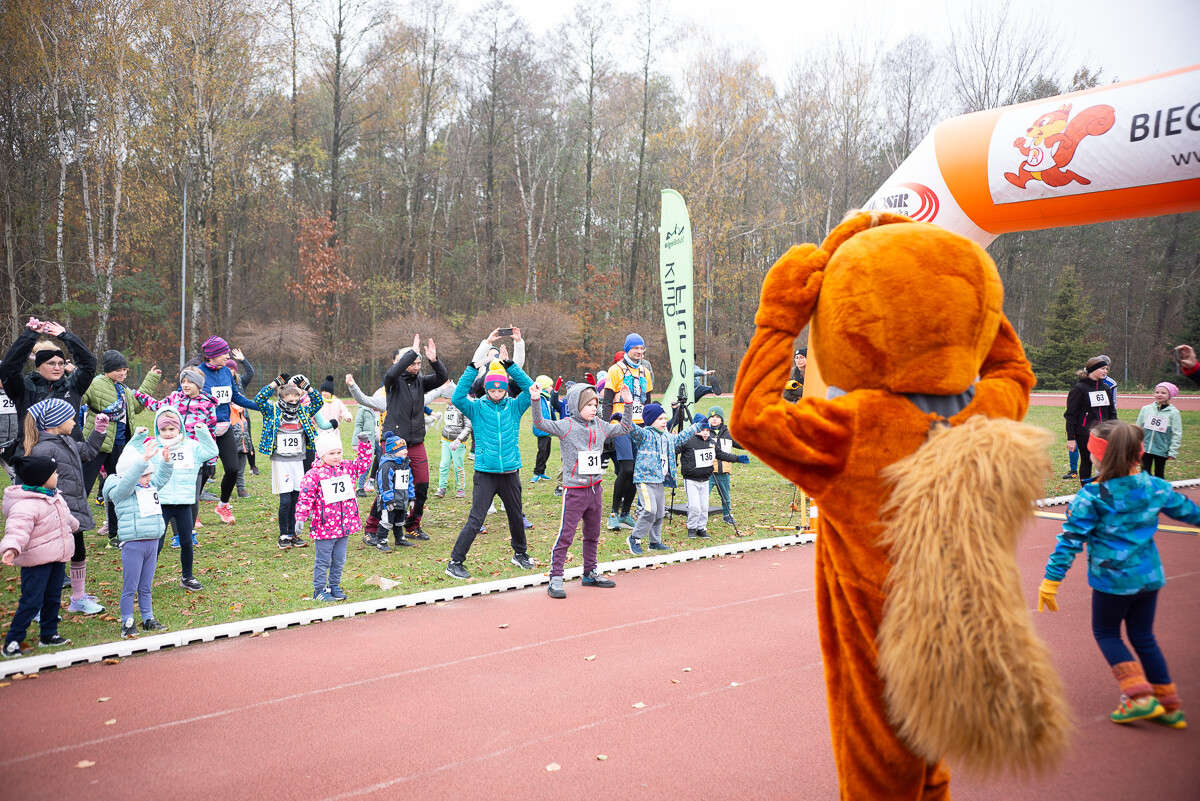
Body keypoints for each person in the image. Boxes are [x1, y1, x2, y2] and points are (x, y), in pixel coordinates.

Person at [1038, 420, 1199, 729]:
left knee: (1107, 633)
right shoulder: (1155, 486)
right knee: (1143, 637)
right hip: (1149, 577)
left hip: (1112, 582)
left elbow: (1070, 541)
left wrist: (1051, 580)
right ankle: (1169, 704)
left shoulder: (1091, 497)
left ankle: (1137, 697)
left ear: (1099, 456)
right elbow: (1189, 512)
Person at [532, 380, 632, 598]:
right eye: (589, 405)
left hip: (595, 490)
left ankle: (590, 572)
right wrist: (534, 400)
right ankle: (555, 578)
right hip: (574, 491)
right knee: (566, 535)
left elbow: (625, 428)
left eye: (596, 405)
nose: (594, 409)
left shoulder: (601, 425)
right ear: (576, 405)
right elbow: (539, 423)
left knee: (593, 534)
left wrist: (629, 404)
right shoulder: (566, 425)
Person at [445, 358, 537, 580]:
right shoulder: (476, 408)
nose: (496, 393)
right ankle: (455, 562)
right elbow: (457, 396)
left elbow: (530, 388)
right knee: (476, 519)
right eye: (492, 390)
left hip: (510, 473)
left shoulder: (515, 406)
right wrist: (472, 368)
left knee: (516, 515)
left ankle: (520, 554)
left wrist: (511, 366)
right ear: (486, 389)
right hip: (485, 473)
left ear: (505, 389)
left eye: (500, 390)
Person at [24, 399, 109, 615]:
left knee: (77, 552)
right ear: (56, 421)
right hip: (53, 515)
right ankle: (38, 606)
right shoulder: (42, 450)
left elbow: (88, 452)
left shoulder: (67, 441)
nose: (74, 422)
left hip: (73, 512)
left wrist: (99, 430)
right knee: (52, 559)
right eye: (71, 418)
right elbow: (37, 486)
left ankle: (78, 598)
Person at [80, 351, 162, 541]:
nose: (123, 373)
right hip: (97, 443)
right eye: (119, 370)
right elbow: (79, 397)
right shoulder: (96, 384)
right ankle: (74, 528)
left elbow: (137, 406)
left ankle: (116, 534)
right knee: (83, 485)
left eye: (125, 370)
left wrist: (150, 379)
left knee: (120, 488)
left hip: (120, 445)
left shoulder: (123, 389)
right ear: (108, 370)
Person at [1, 454, 77, 657]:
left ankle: (49, 634)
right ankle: (13, 641)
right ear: (40, 477)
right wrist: (11, 549)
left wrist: (76, 525)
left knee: (53, 598)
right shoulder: (25, 505)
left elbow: (66, 517)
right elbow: (17, 530)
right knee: (32, 601)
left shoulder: (54, 496)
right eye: (54, 473)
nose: (58, 475)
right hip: (36, 562)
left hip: (56, 558)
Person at [381, 335, 448, 540]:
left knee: (422, 483)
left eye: (419, 363)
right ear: (403, 363)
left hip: (416, 442)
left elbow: (441, 378)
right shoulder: (392, 382)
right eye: (412, 363)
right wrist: (411, 352)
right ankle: (373, 528)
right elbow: (392, 373)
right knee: (388, 486)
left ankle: (412, 525)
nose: (416, 366)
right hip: (394, 443)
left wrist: (434, 360)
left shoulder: (420, 382)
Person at [143, 407, 218, 591]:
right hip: (161, 503)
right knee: (156, 544)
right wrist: (139, 438)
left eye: (172, 429)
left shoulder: (191, 446)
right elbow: (137, 459)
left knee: (187, 541)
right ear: (157, 430)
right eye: (163, 430)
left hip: (185, 503)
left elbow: (212, 450)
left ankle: (187, 576)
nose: (167, 433)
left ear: (180, 429)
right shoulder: (153, 446)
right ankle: (145, 580)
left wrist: (202, 431)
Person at [106, 436, 173, 638]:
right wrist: (142, 460)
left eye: (149, 475)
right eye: (144, 475)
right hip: (133, 544)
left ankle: (148, 618)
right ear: (133, 475)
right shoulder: (120, 491)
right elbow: (127, 482)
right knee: (130, 586)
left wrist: (166, 461)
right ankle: (127, 621)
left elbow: (161, 478)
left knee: (146, 585)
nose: (149, 479)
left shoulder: (149, 486)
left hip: (152, 541)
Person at [293, 430, 373, 602]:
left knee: (339, 560)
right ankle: (319, 590)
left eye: (339, 452)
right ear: (321, 454)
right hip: (325, 527)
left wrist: (364, 444)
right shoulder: (313, 475)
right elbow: (305, 498)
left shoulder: (347, 468)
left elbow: (364, 464)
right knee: (323, 561)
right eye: (331, 453)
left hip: (345, 525)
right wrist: (300, 517)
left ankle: (334, 586)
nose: (337, 456)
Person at [135, 365, 218, 530]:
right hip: (171, 453)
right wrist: (136, 394)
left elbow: (211, 432)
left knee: (192, 497)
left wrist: (211, 461)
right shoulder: (174, 398)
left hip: (194, 456)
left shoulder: (208, 404)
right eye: (183, 381)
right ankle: (175, 534)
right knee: (172, 494)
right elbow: (157, 406)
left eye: (190, 382)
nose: (186, 385)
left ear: (199, 384)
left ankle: (188, 530)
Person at [0, 318, 97, 454]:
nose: (57, 368)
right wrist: (31, 335)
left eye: (61, 363)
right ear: (39, 366)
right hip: (33, 456)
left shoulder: (73, 386)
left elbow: (89, 364)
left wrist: (66, 336)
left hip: (69, 455)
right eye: (51, 363)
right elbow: (9, 367)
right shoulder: (24, 388)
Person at [191, 338, 261, 524]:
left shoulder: (226, 373)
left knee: (232, 469)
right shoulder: (198, 373)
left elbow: (235, 396)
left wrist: (258, 406)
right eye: (224, 353)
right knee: (204, 471)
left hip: (225, 427)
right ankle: (192, 509)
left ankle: (222, 506)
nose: (227, 357)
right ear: (213, 355)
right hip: (204, 431)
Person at [255, 374, 324, 549]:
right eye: (289, 400)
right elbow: (259, 398)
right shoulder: (273, 410)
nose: (293, 403)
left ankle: (293, 534)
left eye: (296, 400)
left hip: (298, 460)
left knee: (296, 498)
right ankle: (283, 534)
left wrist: (307, 387)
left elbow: (318, 402)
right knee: (285, 500)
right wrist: (275, 383)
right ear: (281, 399)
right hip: (281, 461)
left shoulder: (302, 411)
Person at [625, 403, 701, 555]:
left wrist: (696, 427)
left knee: (659, 513)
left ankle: (654, 542)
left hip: (660, 481)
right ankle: (635, 538)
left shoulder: (666, 437)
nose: (664, 421)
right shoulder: (644, 435)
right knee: (650, 510)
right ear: (651, 420)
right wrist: (624, 414)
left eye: (665, 418)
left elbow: (679, 438)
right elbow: (630, 427)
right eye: (660, 418)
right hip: (645, 480)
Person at [602, 335, 653, 532]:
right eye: (636, 349)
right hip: (620, 423)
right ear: (627, 349)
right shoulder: (615, 370)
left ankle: (625, 513)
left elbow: (647, 403)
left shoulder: (645, 371)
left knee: (637, 472)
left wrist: (649, 427)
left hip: (639, 426)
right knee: (626, 468)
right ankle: (613, 513)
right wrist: (606, 429)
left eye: (642, 349)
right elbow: (607, 402)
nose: (639, 352)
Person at [678, 414, 748, 538]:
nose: (705, 433)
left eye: (707, 430)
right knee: (694, 507)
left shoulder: (711, 442)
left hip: (705, 479)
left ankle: (701, 528)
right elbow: (674, 449)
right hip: (691, 479)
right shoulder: (688, 440)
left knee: (704, 507)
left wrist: (737, 458)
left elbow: (721, 455)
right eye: (702, 430)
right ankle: (692, 527)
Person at [1064, 356, 1117, 486]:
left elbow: (1111, 411)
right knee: (1087, 461)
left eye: (1106, 369)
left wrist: (1116, 428)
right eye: (1102, 368)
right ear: (1092, 370)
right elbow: (1070, 414)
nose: (1105, 371)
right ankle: (1086, 490)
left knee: (1106, 461)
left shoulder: (1106, 388)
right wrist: (1071, 437)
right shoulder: (1079, 388)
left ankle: (1104, 488)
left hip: (1104, 432)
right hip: (1084, 432)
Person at [371, 432, 413, 552]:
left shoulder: (405, 464)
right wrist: (388, 499)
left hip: (402, 499)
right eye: (401, 449)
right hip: (390, 500)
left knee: (400, 520)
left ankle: (399, 538)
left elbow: (409, 481)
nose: (405, 451)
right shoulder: (388, 465)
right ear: (393, 451)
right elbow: (385, 484)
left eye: (405, 448)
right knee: (387, 521)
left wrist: (411, 497)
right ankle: (381, 541)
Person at [706, 407, 744, 527]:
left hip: (724, 470)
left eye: (717, 417)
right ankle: (698, 514)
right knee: (703, 494)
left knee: (725, 495)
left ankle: (727, 514)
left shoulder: (728, 433)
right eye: (712, 417)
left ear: (721, 419)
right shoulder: (705, 432)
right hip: (708, 471)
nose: (714, 419)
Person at [1135, 382, 1182, 479]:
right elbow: (1137, 428)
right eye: (1157, 392)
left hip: (1161, 449)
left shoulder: (1174, 413)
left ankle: (1160, 492)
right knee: (1144, 473)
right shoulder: (1146, 409)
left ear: (1170, 395)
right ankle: (1146, 492)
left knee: (1159, 473)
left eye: (1163, 393)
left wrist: (1173, 451)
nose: (1159, 395)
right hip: (1145, 447)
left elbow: (1177, 433)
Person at [433, 383, 471, 499]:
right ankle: (442, 488)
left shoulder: (463, 407)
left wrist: (459, 440)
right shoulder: (448, 407)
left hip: (458, 442)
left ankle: (460, 489)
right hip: (445, 440)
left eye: (447, 398)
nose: (445, 401)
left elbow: (469, 426)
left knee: (458, 466)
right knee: (444, 464)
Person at [531, 374, 557, 482]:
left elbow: (551, 413)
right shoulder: (540, 398)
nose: (551, 388)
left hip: (548, 429)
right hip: (542, 430)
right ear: (545, 386)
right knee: (542, 451)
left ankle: (542, 471)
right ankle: (537, 472)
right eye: (550, 386)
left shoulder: (547, 398)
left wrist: (554, 424)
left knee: (547, 451)